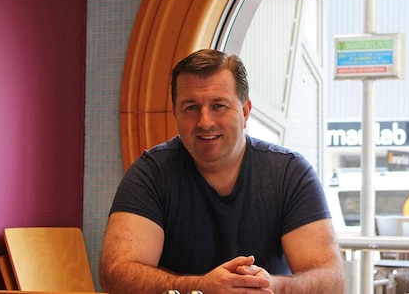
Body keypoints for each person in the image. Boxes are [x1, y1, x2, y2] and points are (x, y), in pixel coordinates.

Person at [99, 49, 345, 294]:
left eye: (218, 105)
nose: (205, 122)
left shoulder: (289, 173)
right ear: (175, 114)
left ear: (245, 111)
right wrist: (198, 288)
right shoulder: (150, 173)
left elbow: (331, 279)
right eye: (191, 108)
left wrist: (269, 286)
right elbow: (115, 273)